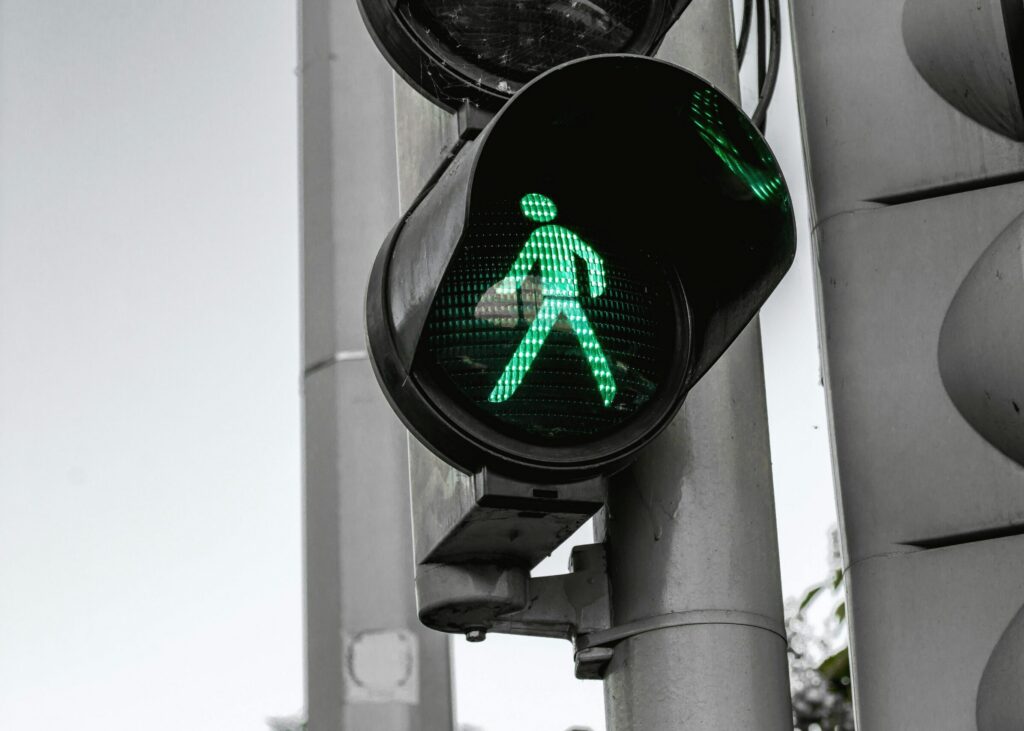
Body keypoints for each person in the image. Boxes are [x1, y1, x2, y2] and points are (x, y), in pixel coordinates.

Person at [488, 193, 617, 407]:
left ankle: (503, 390)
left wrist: (507, 288)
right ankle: (608, 390)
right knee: (589, 345)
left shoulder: (540, 235)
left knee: (531, 343)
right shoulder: (566, 234)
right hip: (569, 298)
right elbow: (592, 258)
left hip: (554, 299)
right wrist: (596, 286)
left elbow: (522, 265)